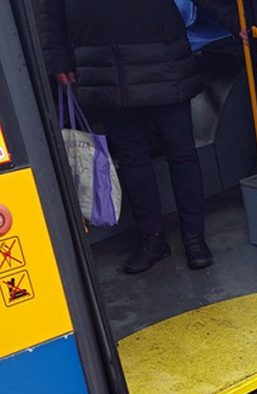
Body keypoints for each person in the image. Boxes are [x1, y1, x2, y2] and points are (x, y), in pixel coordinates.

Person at [38, 0, 239, 273]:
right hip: (104, 63)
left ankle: (194, 236)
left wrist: (239, 23)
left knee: (181, 153)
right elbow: (52, 7)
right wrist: (58, 58)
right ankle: (152, 239)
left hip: (160, 56)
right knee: (132, 158)